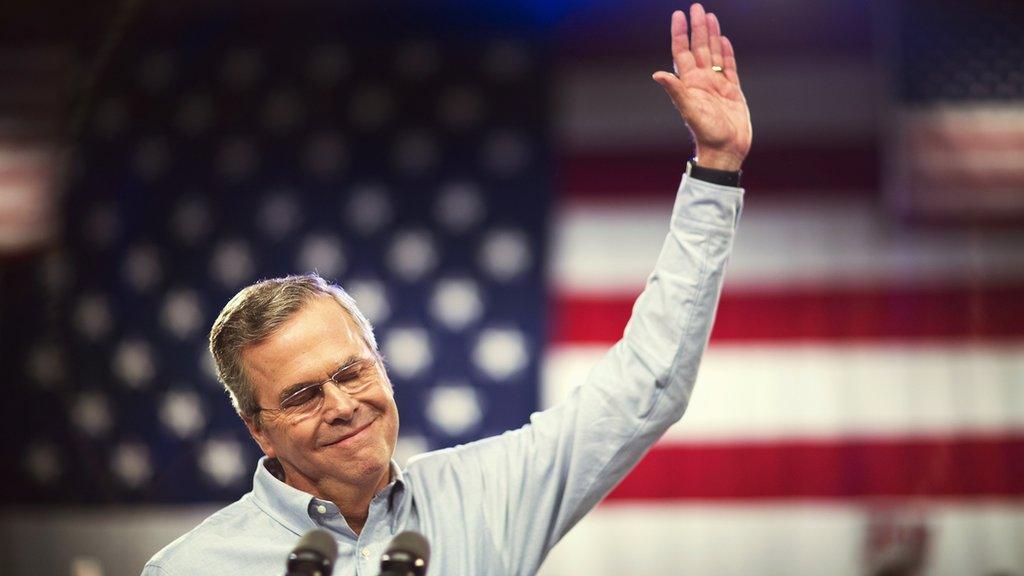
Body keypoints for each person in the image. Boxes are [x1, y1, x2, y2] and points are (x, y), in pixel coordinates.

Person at [143, 4, 752, 575]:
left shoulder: (487, 497)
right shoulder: (191, 568)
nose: (342, 405)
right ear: (258, 428)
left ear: (380, 368)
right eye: (303, 395)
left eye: (352, 372)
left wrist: (716, 167)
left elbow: (648, 387)